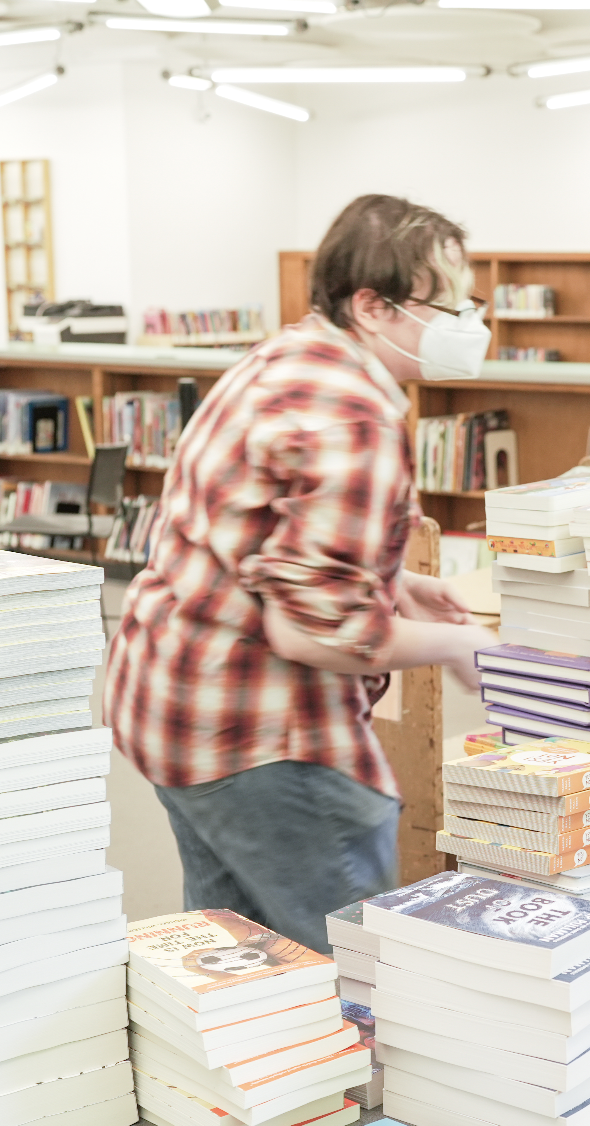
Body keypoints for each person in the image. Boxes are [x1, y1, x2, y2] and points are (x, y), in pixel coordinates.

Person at [105, 194, 496, 953]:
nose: (468, 324)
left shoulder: (293, 355)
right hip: (259, 730)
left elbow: (258, 537)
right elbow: (316, 628)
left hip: (171, 699)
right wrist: (455, 647)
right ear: (373, 306)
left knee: (238, 962)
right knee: (346, 969)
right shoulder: (353, 417)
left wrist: (392, 581)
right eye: (448, 305)